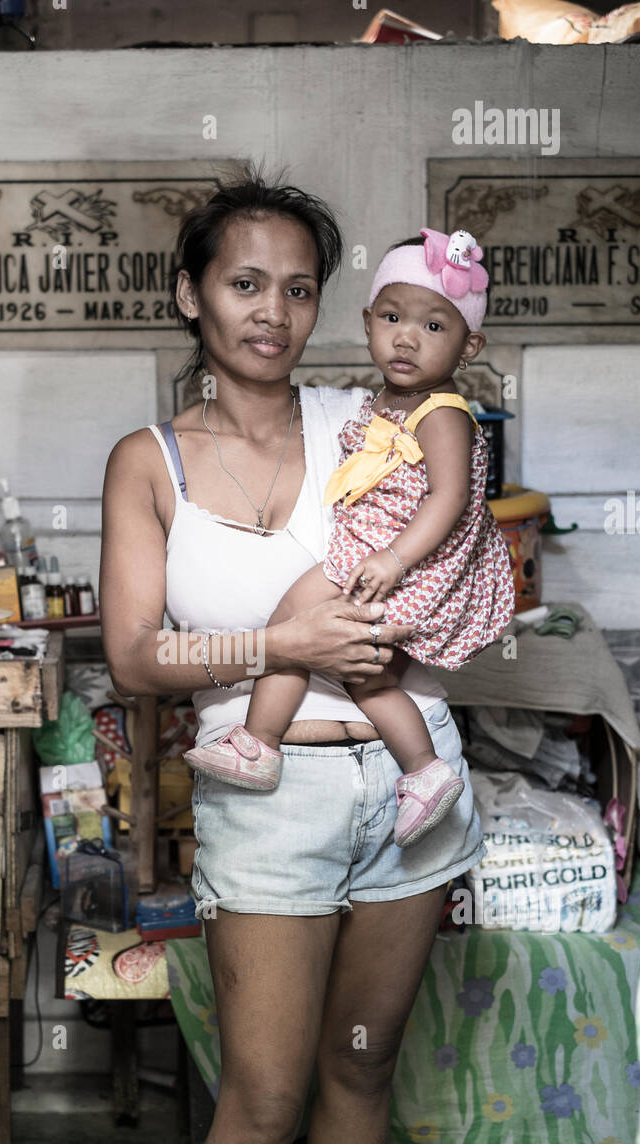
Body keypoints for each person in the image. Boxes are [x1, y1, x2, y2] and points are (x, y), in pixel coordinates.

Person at [99, 165, 486, 1144]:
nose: (272, 312)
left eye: (300, 289)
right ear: (190, 295)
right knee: (262, 1106)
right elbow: (132, 657)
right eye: (244, 283)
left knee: (359, 1077)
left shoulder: (368, 419)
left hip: (410, 786)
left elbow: (454, 519)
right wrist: (286, 647)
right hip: (271, 806)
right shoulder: (148, 463)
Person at [184, 228, 516, 849]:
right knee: (365, 677)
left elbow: (449, 498)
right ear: (368, 322)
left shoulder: (441, 412)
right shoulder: (386, 404)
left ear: (471, 345)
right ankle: (424, 769)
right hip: (373, 552)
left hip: (391, 563)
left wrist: (392, 558)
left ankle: (258, 743)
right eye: (392, 317)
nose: (407, 338)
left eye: (435, 327)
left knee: (293, 618)